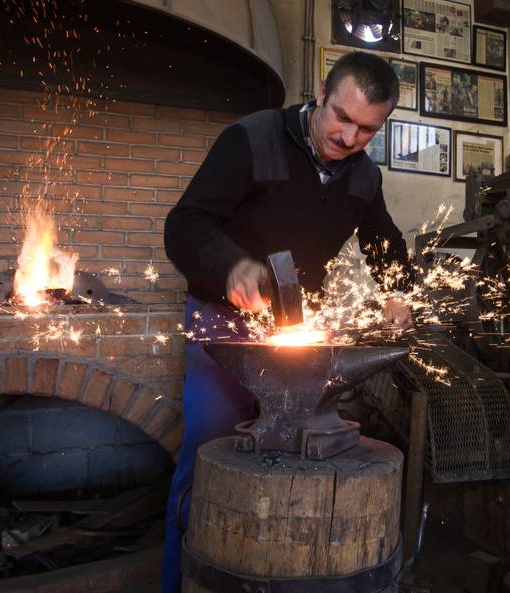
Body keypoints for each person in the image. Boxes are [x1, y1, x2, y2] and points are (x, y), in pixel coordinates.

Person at [161, 51, 414, 593]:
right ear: (321, 90)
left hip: (294, 331)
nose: (348, 138)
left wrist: (399, 292)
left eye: (367, 129)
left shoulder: (364, 177)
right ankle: (180, 582)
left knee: (289, 461)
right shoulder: (253, 139)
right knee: (210, 461)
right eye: (342, 117)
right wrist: (230, 266)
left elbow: (384, 242)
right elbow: (184, 224)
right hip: (223, 326)